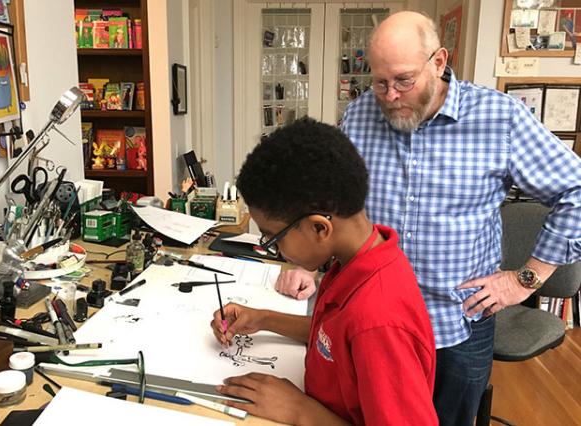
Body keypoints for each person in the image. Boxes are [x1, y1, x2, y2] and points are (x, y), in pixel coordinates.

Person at [274, 11, 581, 426]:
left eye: (403, 80)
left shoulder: (499, 119)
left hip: (455, 326)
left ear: (439, 61)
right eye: (380, 82)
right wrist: (304, 262)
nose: (391, 95)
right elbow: (329, 198)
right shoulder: (360, 115)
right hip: (370, 324)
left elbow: (575, 190)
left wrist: (523, 280)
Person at [211, 118, 437, 425]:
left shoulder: (378, 321)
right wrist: (262, 318)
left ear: (319, 227)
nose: (273, 248)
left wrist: (299, 410)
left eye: (273, 238)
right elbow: (333, 339)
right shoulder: (355, 261)